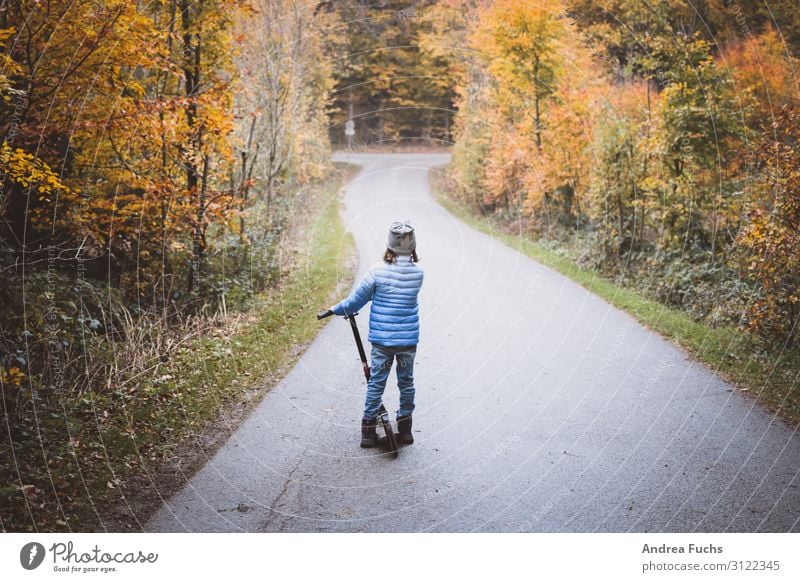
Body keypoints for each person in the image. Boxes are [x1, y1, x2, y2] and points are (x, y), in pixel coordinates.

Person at [326, 220, 424, 448]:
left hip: (382, 342)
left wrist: (335, 309)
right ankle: (406, 429)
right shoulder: (418, 273)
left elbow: (354, 302)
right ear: (413, 246)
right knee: (407, 383)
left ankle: (368, 432)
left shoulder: (376, 272)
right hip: (408, 341)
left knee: (376, 383)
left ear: (389, 245)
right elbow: (397, 293)